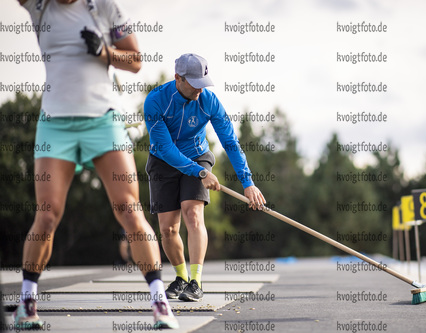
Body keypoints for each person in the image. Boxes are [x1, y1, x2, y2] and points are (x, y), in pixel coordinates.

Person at [14, 0, 178, 329]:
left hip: (103, 123)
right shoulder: (38, 5)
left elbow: (134, 60)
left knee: (129, 209)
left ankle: (160, 303)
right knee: (46, 214)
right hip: (55, 125)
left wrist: (106, 53)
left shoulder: (103, 7)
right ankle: (27, 303)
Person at [144, 53, 266, 302]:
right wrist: (199, 173)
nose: (201, 88)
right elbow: (166, 149)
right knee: (168, 229)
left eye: (204, 82)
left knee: (192, 213)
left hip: (198, 156)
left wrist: (248, 182)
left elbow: (230, 141)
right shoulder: (155, 101)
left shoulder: (208, 100)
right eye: (195, 83)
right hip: (164, 162)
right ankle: (180, 277)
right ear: (178, 78)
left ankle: (196, 281)